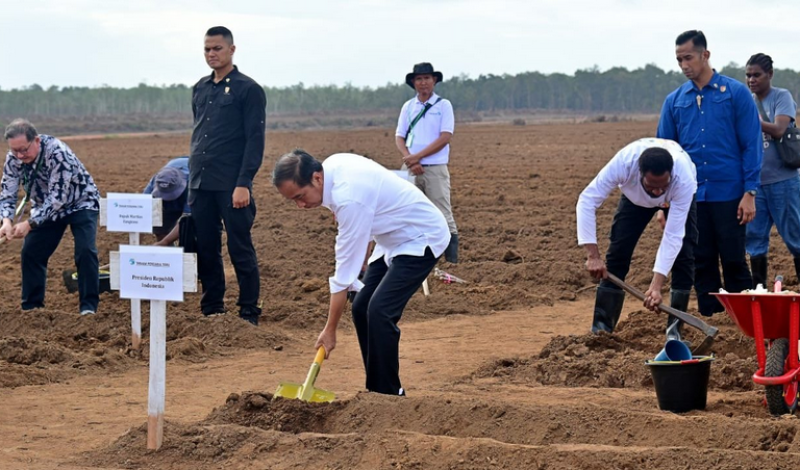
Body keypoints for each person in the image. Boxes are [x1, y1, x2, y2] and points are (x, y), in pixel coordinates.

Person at [273, 150, 450, 396]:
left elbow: (343, 277)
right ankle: (376, 390)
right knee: (360, 307)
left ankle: (389, 393)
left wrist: (330, 330)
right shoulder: (331, 168)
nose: (301, 205)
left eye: (300, 196)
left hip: (421, 236)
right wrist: (363, 259)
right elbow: (366, 214)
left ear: (316, 178)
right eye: (293, 200)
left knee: (379, 311)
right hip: (390, 237)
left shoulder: (348, 198)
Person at [657, 30, 762, 316]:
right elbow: (666, 155)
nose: (684, 65)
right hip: (691, 197)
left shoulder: (736, 94)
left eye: (688, 57)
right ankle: (710, 319)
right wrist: (665, 204)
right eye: (679, 60)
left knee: (733, 259)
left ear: (705, 55)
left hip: (730, 193)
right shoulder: (675, 101)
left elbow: (751, 145)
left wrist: (750, 192)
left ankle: (744, 323)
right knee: (700, 261)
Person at [577, 138, 698, 340]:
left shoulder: (683, 178)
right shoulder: (624, 163)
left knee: (684, 255)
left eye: (663, 186)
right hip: (635, 201)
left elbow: (673, 236)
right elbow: (587, 200)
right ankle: (601, 330)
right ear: (639, 174)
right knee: (618, 252)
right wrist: (593, 256)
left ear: (671, 176)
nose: (658, 192)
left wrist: (656, 286)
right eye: (652, 186)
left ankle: (674, 333)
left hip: (676, 200)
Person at [189, 26, 266, 325]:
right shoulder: (200, 88)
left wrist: (243, 183)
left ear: (232, 50)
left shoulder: (248, 89)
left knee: (239, 247)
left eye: (217, 48)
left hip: (231, 185)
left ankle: (249, 310)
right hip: (200, 184)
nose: (211, 54)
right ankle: (212, 309)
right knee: (206, 248)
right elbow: (200, 134)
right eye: (207, 49)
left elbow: (254, 140)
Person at [0, 119, 100, 315]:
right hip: (44, 207)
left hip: (80, 202)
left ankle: (88, 308)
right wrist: (6, 221)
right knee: (31, 252)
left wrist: (29, 223)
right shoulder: (14, 159)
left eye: (24, 150)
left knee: (85, 251)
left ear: (36, 140)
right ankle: (32, 308)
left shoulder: (57, 153)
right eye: (15, 151)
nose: (20, 156)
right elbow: (7, 193)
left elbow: (58, 197)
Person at [744, 53, 800, 287]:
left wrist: (749, 120)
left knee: (795, 236)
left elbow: (778, 129)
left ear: (770, 74)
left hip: (783, 181)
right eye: (748, 75)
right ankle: (759, 290)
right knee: (754, 239)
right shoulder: (747, 102)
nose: (751, 80)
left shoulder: (781, 96)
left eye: (756, 74)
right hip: (756, 185)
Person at [395, 62, 459, 263]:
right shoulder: (408, 106)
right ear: (414, 82)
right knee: (406, 211)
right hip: (410, 169)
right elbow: (399, 137)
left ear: (434, 80)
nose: (423, 83)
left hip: (435, 168)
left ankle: (451, 261)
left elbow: (444, 137)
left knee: (442, 211)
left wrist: (417, 156)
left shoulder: (443, 105)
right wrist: (409, 159)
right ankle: (412, 257)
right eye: (419, 79)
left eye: (427, 78)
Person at [143, 156, 189, 245]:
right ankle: (170, 255)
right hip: (175, 175)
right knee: (161, 229)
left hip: (197, 183)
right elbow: (141, 213)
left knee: (190, 234)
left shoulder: (192, 187)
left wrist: (165, 242)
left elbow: (187, 220)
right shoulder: (155, 182)